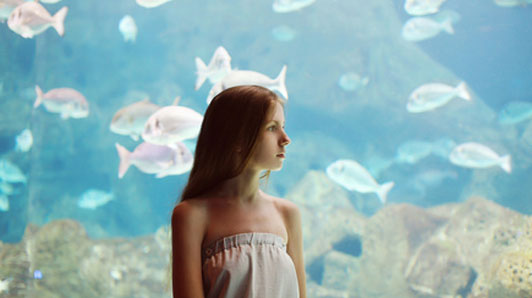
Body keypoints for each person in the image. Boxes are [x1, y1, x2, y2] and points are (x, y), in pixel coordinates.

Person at [171, 85, 307, 298]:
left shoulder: (288, 214)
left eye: (283, 126)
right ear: (237, 138)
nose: (286, 138)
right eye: (272, 128)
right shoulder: (190, 215)